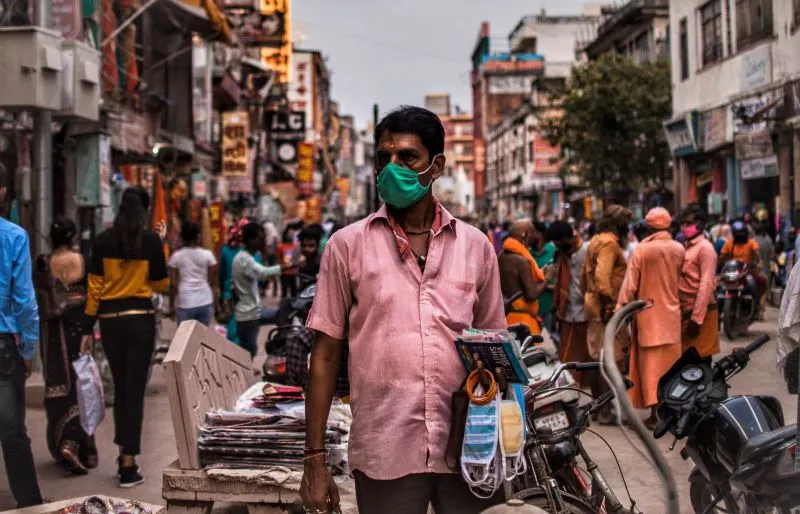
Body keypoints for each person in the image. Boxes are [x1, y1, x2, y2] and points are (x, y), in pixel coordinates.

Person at [301, 105, 506, 514]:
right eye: (384, 158)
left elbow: (493, 345)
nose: (391, 168)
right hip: (385, 446)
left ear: (437, 165)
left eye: (407, 157)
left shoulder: (475, 246)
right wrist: (314, 459)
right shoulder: (346, 246)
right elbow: (324, 356)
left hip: (469, 446)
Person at [82, 186, 169, 488]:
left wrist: (85, 328)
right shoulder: (150, 241)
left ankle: (125, 457)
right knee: (134, 392)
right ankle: (128, 463)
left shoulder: (103, 241)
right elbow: (161, 285)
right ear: (144, 210)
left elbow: (94, 289)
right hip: (140, 324)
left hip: (110, 324)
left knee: (122, 389)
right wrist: (160, 248)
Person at [34, 218, 98, 475]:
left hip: (53, 332)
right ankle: (77, 445)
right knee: (84, 385)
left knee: (59, 386)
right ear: (72, 237)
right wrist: (89, 329)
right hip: (79, 328)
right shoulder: (82, 260)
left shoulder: (44, 263)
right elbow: (93, 294)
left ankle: (64, 444)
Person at [616, 208, 685, 429]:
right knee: (671, 368)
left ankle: (656, 415)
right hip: (672, 319)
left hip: (648, 319)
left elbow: (629, 287)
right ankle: (669, 413)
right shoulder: (679, 249)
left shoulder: (642, 251)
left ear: (648, 226)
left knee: (651, 370)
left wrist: (620, 312)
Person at [0, 164, 43, 507]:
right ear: (3, 192)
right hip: (3, 349)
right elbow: (25, 302)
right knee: (12, 432)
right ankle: (30, 504)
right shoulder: (13, 236)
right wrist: (28, 348)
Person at [581, 204, 632, 424]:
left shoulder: (595, 240)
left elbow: (585, 276)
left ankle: (600, 408)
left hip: (595, 303)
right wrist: (610, 303)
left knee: (599, 357)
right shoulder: (609, 243)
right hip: (605, 307)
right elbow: (603, 277)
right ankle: (604, 411)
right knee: (608, 359)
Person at [232, 222, 292, 358]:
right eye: (260, 238)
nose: (263, 241)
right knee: (248, 351)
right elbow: (263, 273)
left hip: (252, 310)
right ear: (250, 240)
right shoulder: (245, 260)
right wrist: (286, 267)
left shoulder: (245, 256)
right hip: (249, 313)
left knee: (283, 314)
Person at [678, 205, 720, 361]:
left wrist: (696, 319)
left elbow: (706, 286)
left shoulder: (705, 249)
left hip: (700, 314)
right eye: (682, 223)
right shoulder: (685, 247)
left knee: (699, 362)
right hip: (685, 314)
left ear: (700, 224)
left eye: (688, 223)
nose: (684, 227)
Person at [550, 220, 589, 384]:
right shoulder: (561, 255)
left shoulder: (587, 251)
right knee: (568, 359)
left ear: (566, 239)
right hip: (567, 313)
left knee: (588, 358)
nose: (557, 246)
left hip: (586, 314)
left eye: (558, 243)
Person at [498, 219, 546, 334]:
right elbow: (531, 294)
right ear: (525, 235)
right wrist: (548, 277)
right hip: (523, 320)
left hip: (506, 315)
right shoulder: (521, 261)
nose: (535, 236)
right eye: (533, 232)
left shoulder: (501, 255)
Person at [168, 222, 218, 326]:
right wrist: (217, 305)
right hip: (205, 301)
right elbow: (213, 282)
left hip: (185, 302)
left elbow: (173, 284)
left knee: (185, 340)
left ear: (182, 238)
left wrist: (171, 305)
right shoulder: (208, 255)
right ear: (198, 237)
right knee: (201, 340)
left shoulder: (176, 256)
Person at [218, 219, 248, 345]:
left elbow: (221, 274)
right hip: (246, 297)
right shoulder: (252, 252)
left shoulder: (225, 250)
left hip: (228, 294)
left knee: (231, 331)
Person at [531, 221, 556, 334]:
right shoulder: (527, 252)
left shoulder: (553, 250)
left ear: (540, 234)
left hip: (549, 308)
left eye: (532, 232)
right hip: (531, 309)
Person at [278, 229, 298, 298]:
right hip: (284, 272)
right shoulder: (281, 246)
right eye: (289, 234)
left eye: (292, 234)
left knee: (294, 291)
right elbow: (279, 258)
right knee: (284, 291)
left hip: (293, 272)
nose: (290, 235)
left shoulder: (296, 246)